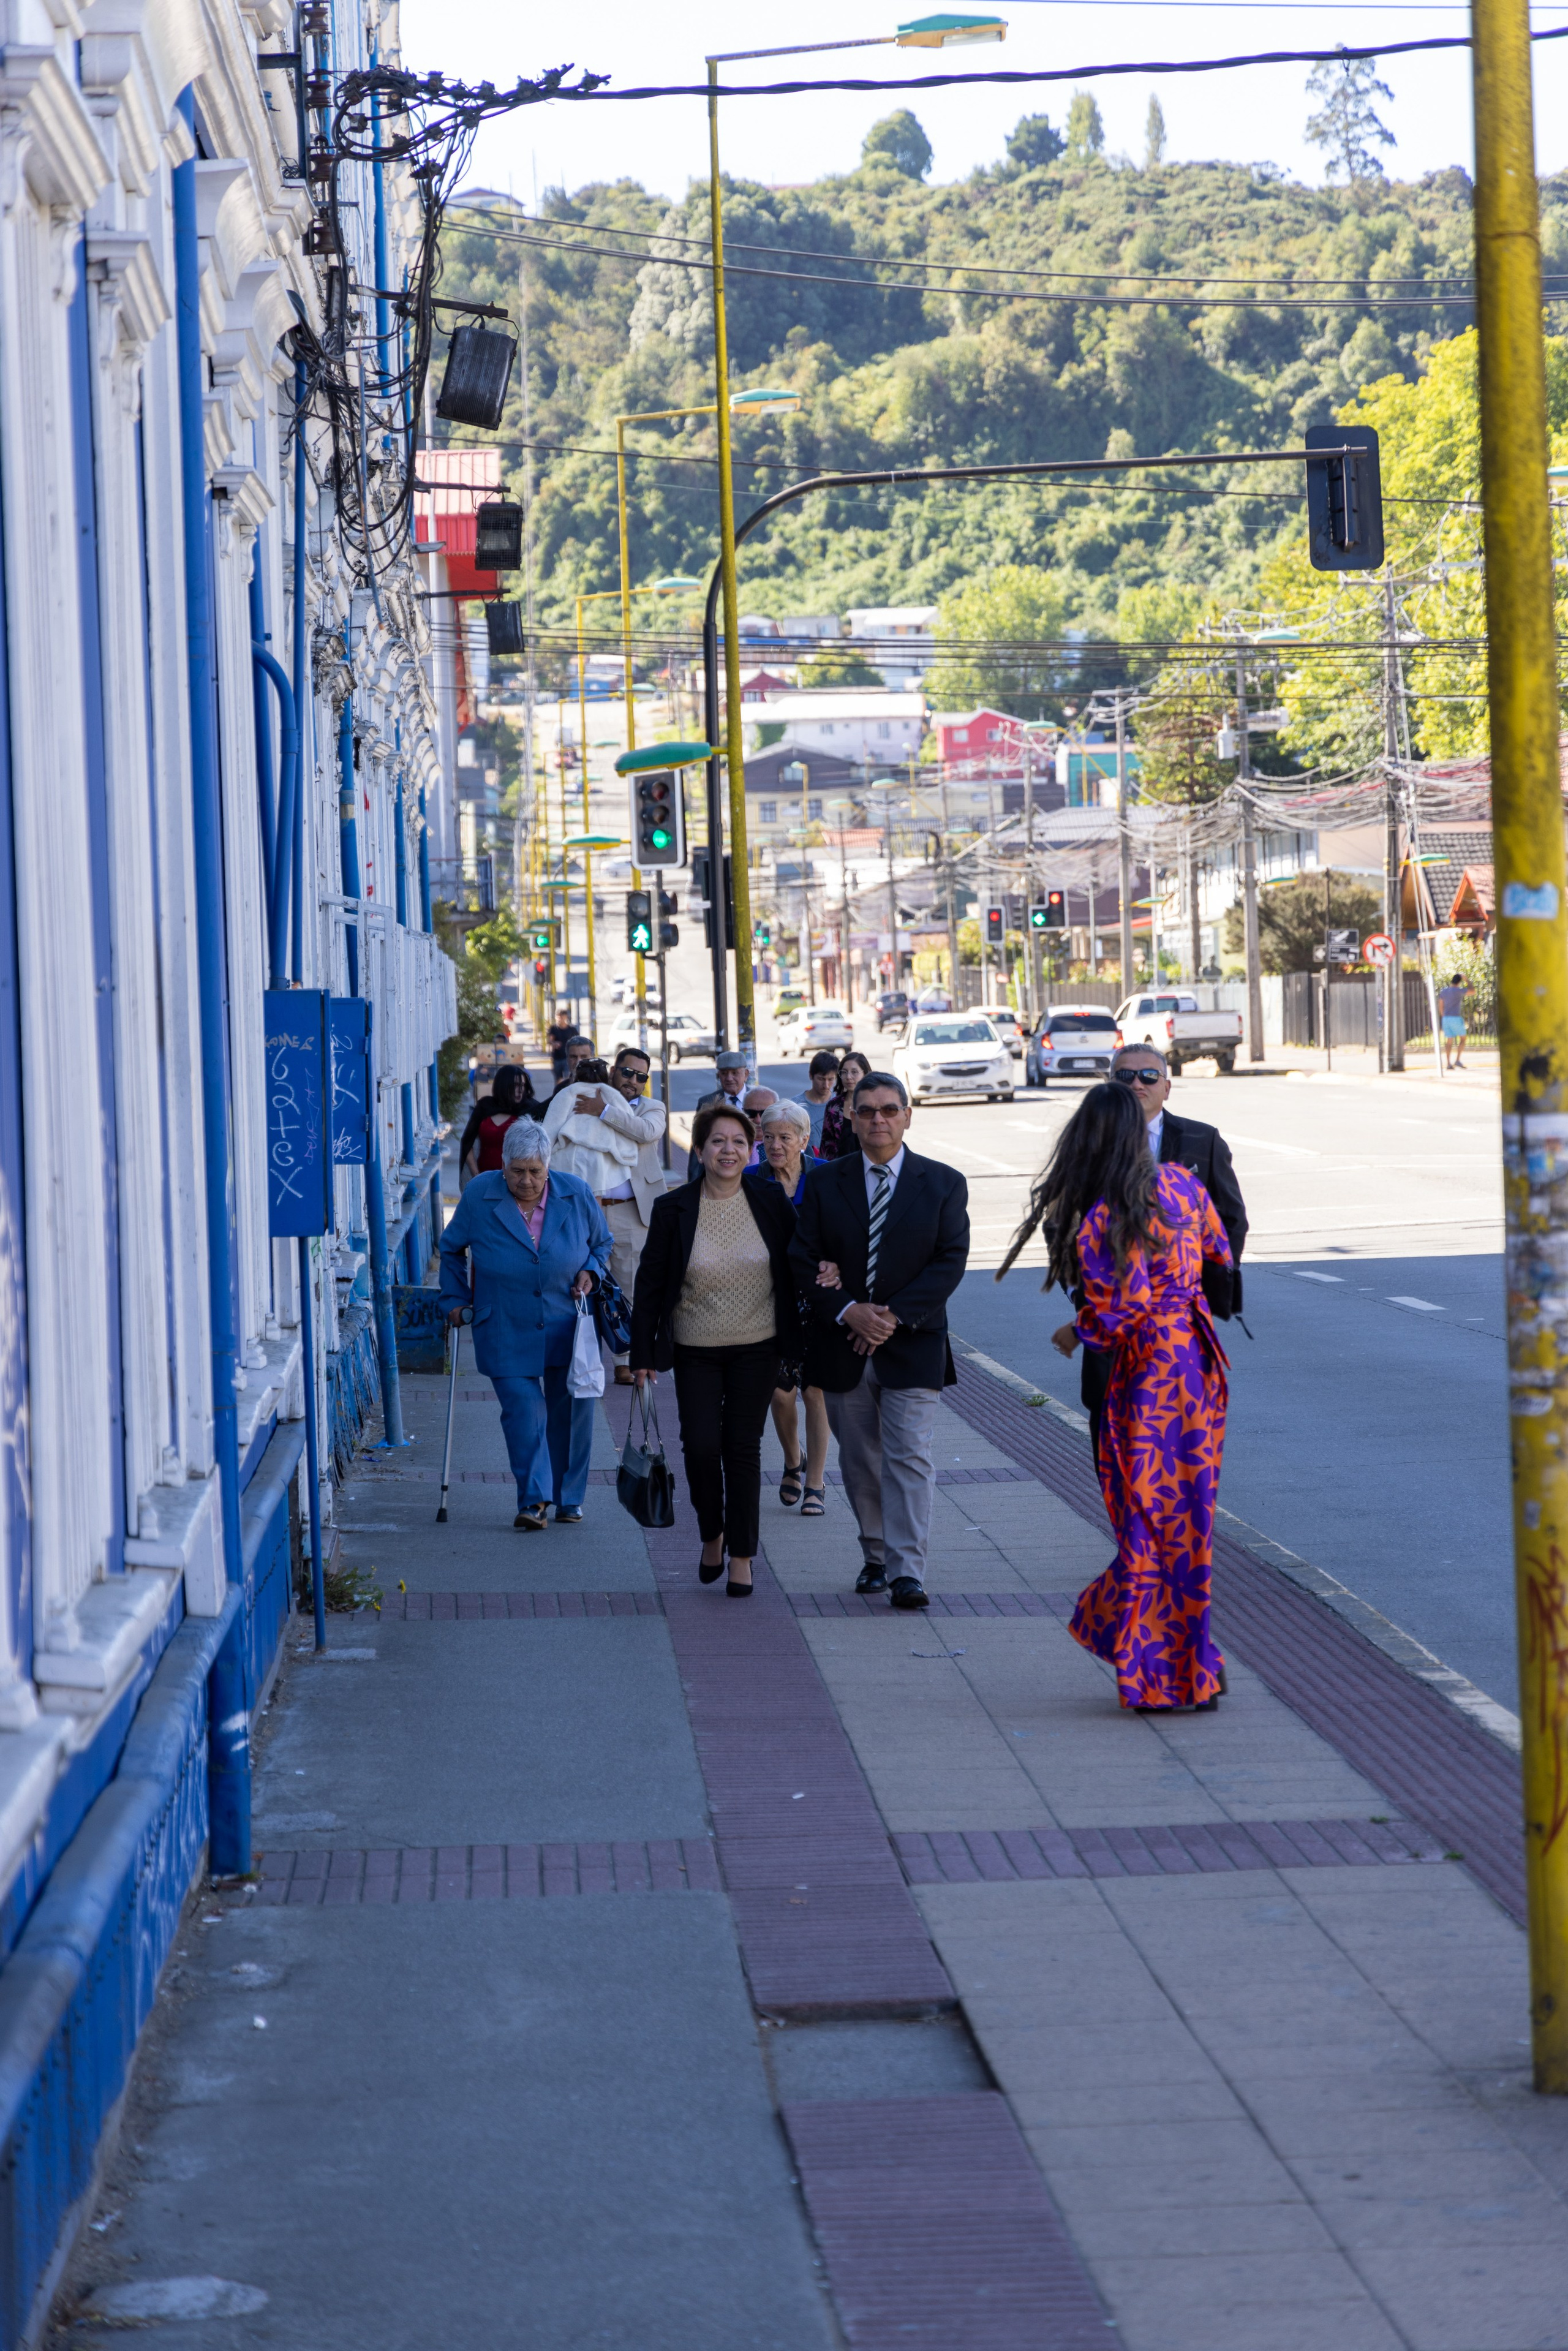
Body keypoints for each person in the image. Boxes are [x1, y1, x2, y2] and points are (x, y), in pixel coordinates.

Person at [1007, 1081, 1232, 1713]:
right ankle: (1196, 1669)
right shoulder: (1184, 1187)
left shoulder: (1108, 1213)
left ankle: (1158, 1673)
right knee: (1188, 1527)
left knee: (1145, 1525)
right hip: (1199, 1369)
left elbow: (1122, 1308)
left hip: (1148, 1380)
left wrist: (1075, 1329)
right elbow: (1220, 1250)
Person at [790, 1071, 970, 1610]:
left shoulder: (943, 1182)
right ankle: (876, 1555)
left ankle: (908, 1571)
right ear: (849, 1116)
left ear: (908, 1116)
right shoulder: (824, 1182)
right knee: (861, 1460)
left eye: (890, 1110)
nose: (878, 1120)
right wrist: (849, 1310)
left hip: (913, 1344)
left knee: (910, 1456)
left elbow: (950, 1261)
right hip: (842, 1344)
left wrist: (888, 1318)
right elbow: (802, 1257)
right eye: (867, 1110)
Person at [630, 1102, 798, 1597]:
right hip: (695, 1347)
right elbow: (651, 1286)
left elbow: (798, 1263)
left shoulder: (770, 1199)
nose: (730, 1150)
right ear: (699, 1150)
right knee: (702, 1447)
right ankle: (713, 1534)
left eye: (740, 1142)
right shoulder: (673, 1208)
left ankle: (742, 1555)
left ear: (752, 1151)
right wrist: (640, 1356)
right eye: (719, 1142)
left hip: (758, 1346)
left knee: (742, 1449)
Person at [1058, 1046, 1246, 1471]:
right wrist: (1079, 1294)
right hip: (1109, 1325)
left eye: (1147, 1076)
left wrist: (1205, 1291)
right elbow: (1061, 1224)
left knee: (1182, 1454)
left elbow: (1230, 1221)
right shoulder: (1087, 1147)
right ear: (1111, 1087)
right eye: (1125, 1078)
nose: (1137, 1084)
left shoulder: (1202, 1140)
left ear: (1167, 1086)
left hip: (1179, 1331)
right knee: (1114, 1448)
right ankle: (1131, 1529)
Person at [437, 1118, 612, 1530]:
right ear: (503, 1166)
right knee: (524, 1412)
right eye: (518, 1171)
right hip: (503, 1324)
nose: (527, 1180)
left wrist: (592, 1270)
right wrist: (456, 1300)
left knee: (570, 1414)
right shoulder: (481, 1195)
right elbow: (450, 1249)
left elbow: (602, 1243)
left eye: (535, 1171)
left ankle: (569, 1499)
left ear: (548, 1166)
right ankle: (534, 1499)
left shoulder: (576, 1193)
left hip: (567, 1323)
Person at [752, 1101, 829, 1515]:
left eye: (784, 1137)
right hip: (770, 1301)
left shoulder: (826, 1178)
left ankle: (815, 1481)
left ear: (804, 1140)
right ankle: (791, 1459)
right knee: (781, 1395)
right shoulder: (750, 1180)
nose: (775, 1145)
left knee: (815, 1390)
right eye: (768, 1137)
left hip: (816, 1300)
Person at [582, 1045, 668, 1387]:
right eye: (627, 1072)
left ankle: (625, 1360)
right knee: (585, 1284)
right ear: (614, 1070)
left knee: (629, 1285)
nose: (633, 1080)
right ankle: (584, 1358)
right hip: (591, 1210)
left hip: (632, 1212)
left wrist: (604, 1112)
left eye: (641, 1076)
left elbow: (645, 1132)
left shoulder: (653, 1108)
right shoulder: (590, 1098)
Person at [458, 1063, 537, 1189]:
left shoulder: (530, 1110)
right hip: (485, 1180)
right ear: (503, 1086)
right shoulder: (485, 1107)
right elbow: (468, 1143)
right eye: (515, 1086)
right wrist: (476, 1175)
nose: (520, 1090)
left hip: (516, 1184)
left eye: (522, 1085)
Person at [686, 1047, 750, 1179]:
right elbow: (698, 1144)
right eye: (724, 1073)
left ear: (746, 1074)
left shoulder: (758, 1100)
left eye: (735, 1073)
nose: (729, 1078)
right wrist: (693, 1183)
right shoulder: (706, 1103)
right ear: (718, 1076)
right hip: (718, 1173)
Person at [818, 1050, 872, 1161]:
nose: (849, 1077)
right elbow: (826, 1146)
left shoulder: (875, 1105)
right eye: (844, 1072)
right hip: (839, 1171)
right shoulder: (834, 1106)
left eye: (855, 1072)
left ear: (865, 1074)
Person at [798, 1051, 841, 1150]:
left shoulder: (841, 1104)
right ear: (811, 1076)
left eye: (831, 1080)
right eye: (821, 1079)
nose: (826, 1085)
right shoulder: (796, 1106)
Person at [1438, 975, 1471, 1069]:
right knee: (1463, 1039)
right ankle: (1457, 1060)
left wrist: (1443, 1015)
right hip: (1455, 1018)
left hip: (1446, 1018)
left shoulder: (1444, 991)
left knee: (1449, 1041)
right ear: (1459, 982)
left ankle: (1448, 1064)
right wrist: (1467, 980)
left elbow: (1440, 1005)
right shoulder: (1459, 991)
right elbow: (1473, 991)